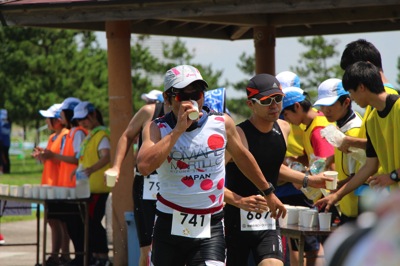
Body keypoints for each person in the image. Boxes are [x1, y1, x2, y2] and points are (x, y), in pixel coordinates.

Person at [136, 65, 286, 266]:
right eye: (182, 96)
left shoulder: (221, 123)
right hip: (169, 224)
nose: (191, 101)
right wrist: (178, 131)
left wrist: (268, 192)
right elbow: (144, 166)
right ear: (167, 98)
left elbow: (243, 157)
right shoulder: (157, 127)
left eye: (197, 94)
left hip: (210, 226)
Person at [223, 74, 331, 266]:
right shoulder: (238, 135)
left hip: (268, 220)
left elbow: (273, 166)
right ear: (251, 104)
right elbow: (211, 180)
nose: (274, 105)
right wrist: (239, 201)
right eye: (266, 101)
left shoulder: (284, 128)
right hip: (235, 222)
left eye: (278, 98)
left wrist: (309, 180)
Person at [315, 61, 400, 213]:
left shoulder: (399, 108)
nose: (352, 99)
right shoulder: (371, 120)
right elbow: (370, 165)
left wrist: (393, 176)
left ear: (361, 87)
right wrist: (337, 195)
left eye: (351, 92)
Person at [105, 90, 167, 266]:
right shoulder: (150, 111)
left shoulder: (193, 116)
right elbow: (127, 135)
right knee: (147, 249)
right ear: (167, 97)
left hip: (177, 184)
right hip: (148, 184)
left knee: (179, 243)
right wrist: (116, 167)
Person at [281, 89, 335, 266]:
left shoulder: (318, 129)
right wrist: (294, 161)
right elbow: (310, 157)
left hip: (331, 197)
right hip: (322, 195)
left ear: (297, 107)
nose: (286, 119)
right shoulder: (308, 126)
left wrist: (304, 179)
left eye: (287, 114)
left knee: (331, 249)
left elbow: (329, 165)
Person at [41, 97, 87, 266]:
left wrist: (52, 156)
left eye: (60, 115)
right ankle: (69, 256)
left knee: (72, 224)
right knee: (64, 222)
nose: (57, 119)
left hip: (72, 186)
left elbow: (76, 159)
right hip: (62, 185)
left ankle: (78, 256)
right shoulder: (66, 134)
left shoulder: (74, 133)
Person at [65, 101, 112, 266]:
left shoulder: (101, 135)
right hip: (89, 187)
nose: (82, 123)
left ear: (93, 115)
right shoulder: (91, 135)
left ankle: (103, 257)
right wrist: (79, 169)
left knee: (93, 223)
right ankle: (96, 256)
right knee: (90, 223)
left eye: (84, 118)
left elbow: (106, 156)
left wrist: (91, 169)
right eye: (79, 120)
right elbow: (86, 158)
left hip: (99, 187)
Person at [313, 78, 363, 225]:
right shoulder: (341, 126)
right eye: (322, 105)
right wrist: (330, 159)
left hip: (355, 209)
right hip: (346, 205)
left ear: (346, 102)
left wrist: (334, 189)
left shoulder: (354, 131)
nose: (325, 110)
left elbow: (359, 175)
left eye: (331, 105)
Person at [338, 39, 398, 154]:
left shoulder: (389, 100)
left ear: (367, 66)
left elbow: (387, 146)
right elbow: (375, 144)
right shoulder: (372, 100)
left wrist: (351, 141)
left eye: (351, 70)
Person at [32, 103, 71, 266]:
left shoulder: (65, 135)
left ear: (58, 120)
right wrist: (43, 155)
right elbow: (52, 157)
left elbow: (63, 157)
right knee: (52, 220)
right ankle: (59, 255)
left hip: (59, 184)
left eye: (49, 118)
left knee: (59, 221)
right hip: (49, 184)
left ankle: (61, 255)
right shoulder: (53, 137)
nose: (46, 122)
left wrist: (49, 155)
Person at [0, 109, 11, 174]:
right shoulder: (8, 121)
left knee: (2, 156)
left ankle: (3, 169)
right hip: (7, 142)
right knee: (6, 156)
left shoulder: (1, 120)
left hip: (2, 141)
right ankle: (6, 169)